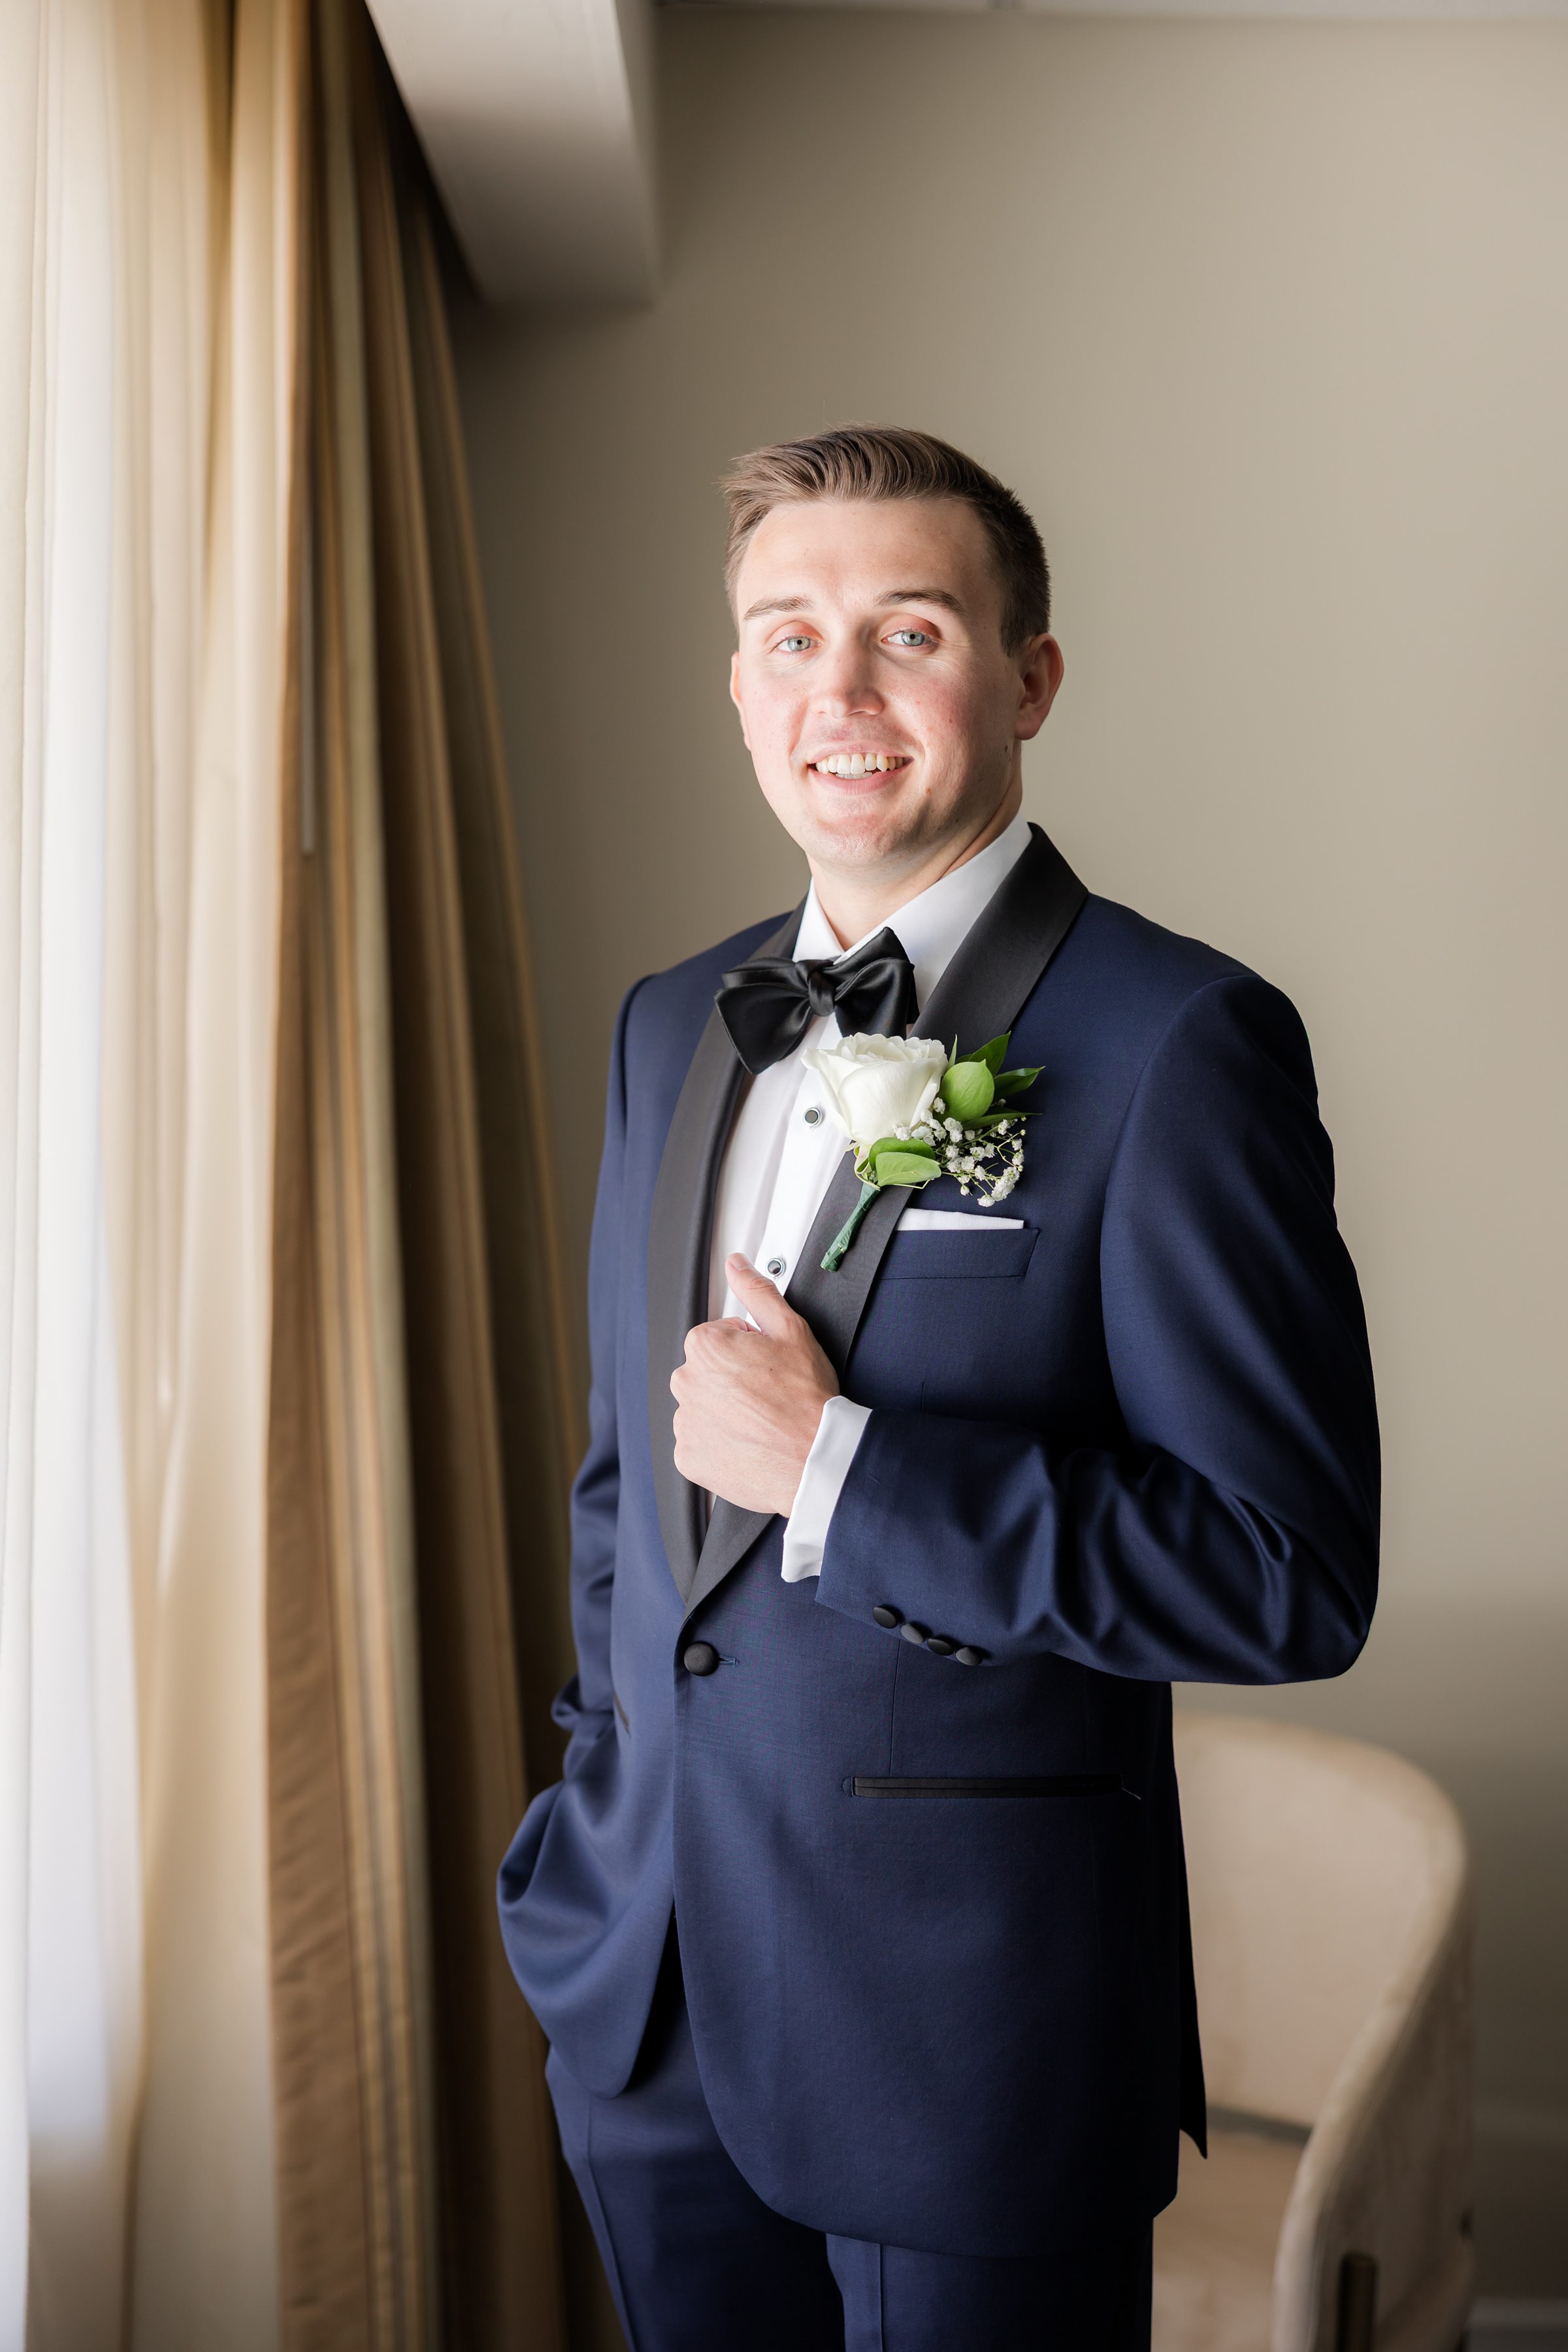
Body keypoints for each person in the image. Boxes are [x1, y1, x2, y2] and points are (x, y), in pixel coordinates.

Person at [498, 426, 1379, 2352]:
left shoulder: (1182, 1042)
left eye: (907, 630)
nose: (840, 691)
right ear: (735, 683)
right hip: (639, 1986)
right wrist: (586, 1829)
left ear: (1028, 676)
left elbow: (1286, 1570)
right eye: (785, 635)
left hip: (965, 2045)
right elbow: (619, 1496)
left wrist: (848, 1471)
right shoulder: (673, 1025)